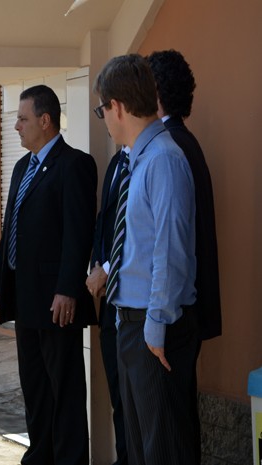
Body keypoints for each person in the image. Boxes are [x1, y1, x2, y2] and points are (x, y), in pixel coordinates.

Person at [93, 54, 198, 464]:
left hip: (157, 330)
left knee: (162, 450)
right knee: (141, 449)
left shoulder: (164, 160)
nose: (103, 117)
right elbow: (137, 244)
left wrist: (154, 328)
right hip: (134, 324)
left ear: (116, 106)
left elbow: (169, 254)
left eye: (102, 108)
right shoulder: (140, 158)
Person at [0, 84, 97, 464]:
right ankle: (40, 456)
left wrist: (68, 289)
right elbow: (10, 229)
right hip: (24, 298)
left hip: (57, 303)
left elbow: (77, 234)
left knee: (64, 389)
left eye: (22, 118)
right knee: (35, 388)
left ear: (45, 121)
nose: (15, 126)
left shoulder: (74, 165)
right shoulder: (21, 167)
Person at [147, 49, 221, 465]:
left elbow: (171, 246)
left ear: (154, 91)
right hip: (183, 313)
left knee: (172, 433)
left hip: (173, 317)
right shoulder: (181, 142)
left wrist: (157, 323)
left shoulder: (169, 146)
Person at [86, 146, 130, 465]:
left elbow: (138, 232)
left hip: (137, 305)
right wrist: (95, 265)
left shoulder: (150, 160)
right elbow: (106, 221)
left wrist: (108, 269)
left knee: (136, 400)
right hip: (110, 303)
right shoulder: (116, 161)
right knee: (118, 392)